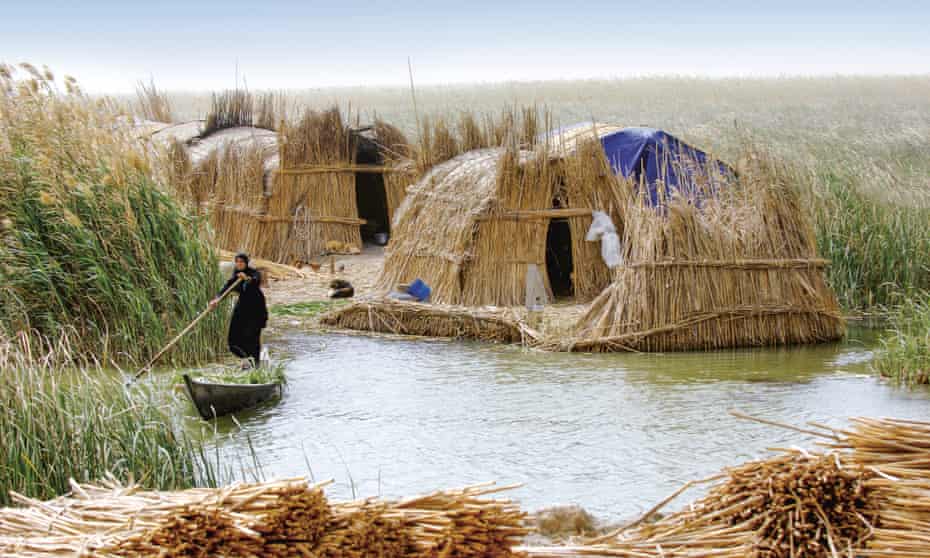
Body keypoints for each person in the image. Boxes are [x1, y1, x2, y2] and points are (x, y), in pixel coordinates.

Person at [210, 253, 268, 368]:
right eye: (237, 262)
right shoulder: (236, 274)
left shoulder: (253, 272)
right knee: (233, 337)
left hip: (256, 309)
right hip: (242, 307)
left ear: (246, 263)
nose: (239, 264)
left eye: (241, 262)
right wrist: (216, 299)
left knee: (252, 337)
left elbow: (255, 281)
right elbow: (227, 287)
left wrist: (246, 278)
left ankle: (255, 365)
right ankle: (246, 359)